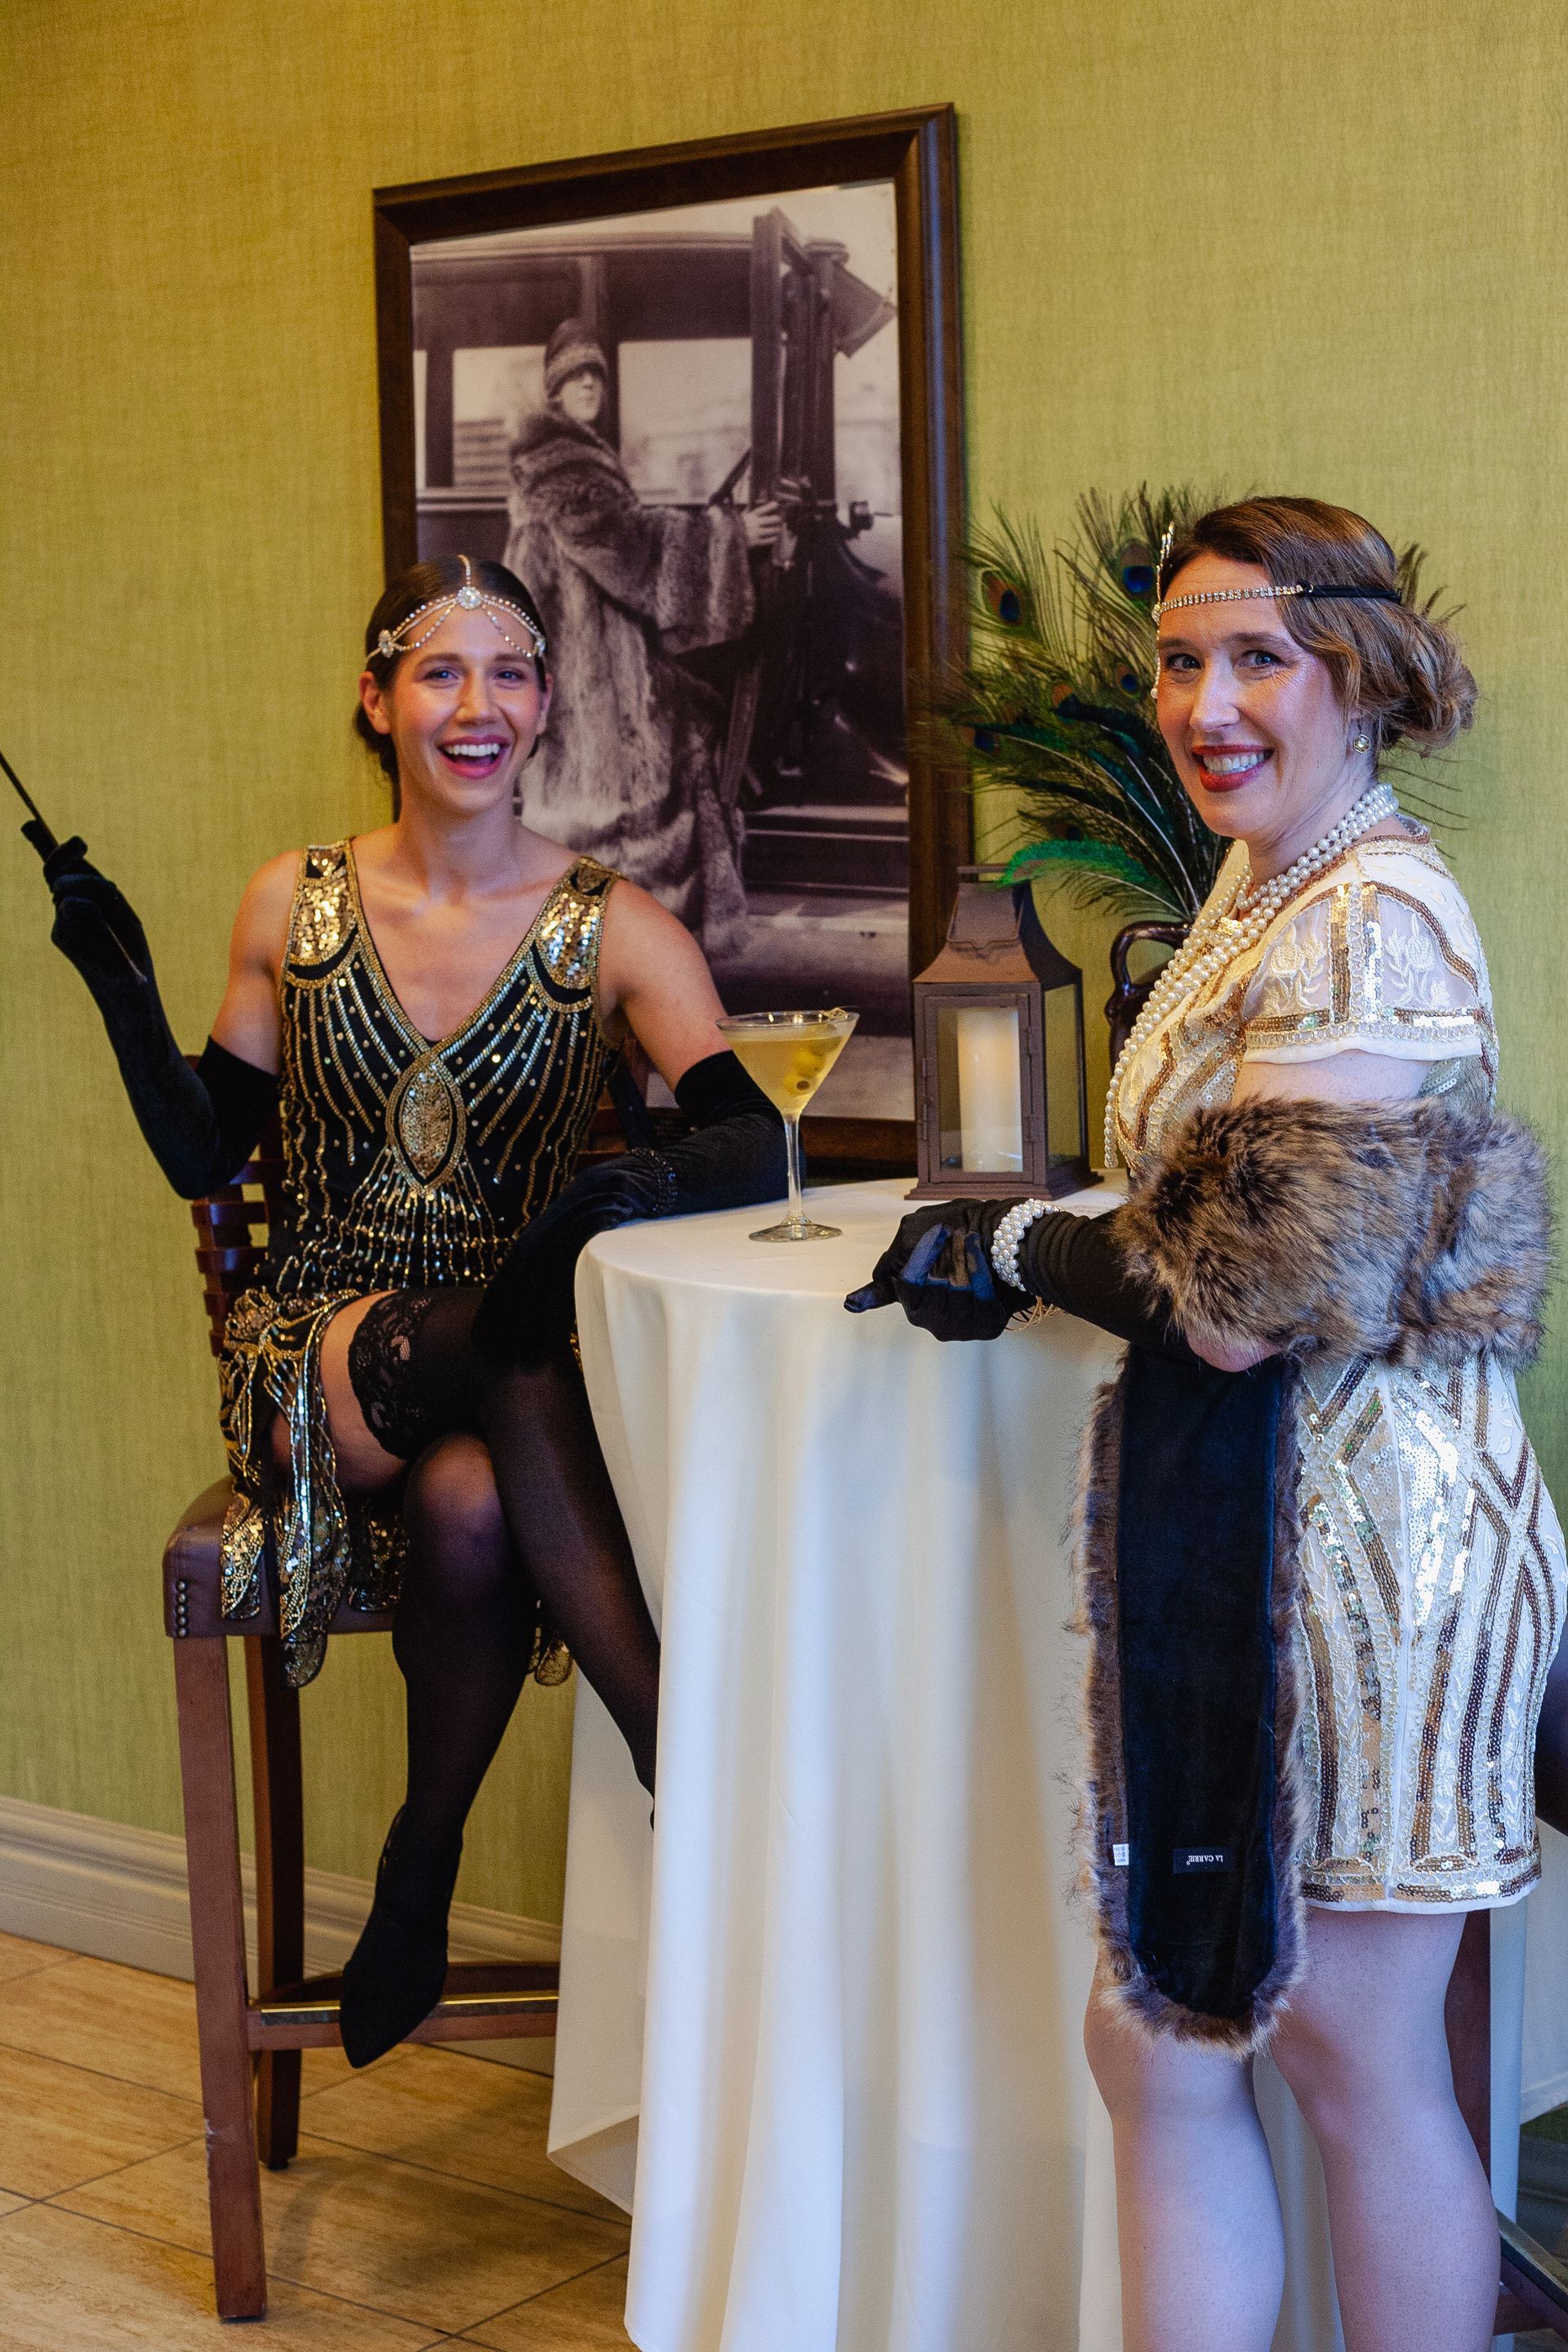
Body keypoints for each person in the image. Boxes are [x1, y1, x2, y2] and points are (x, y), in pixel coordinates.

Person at [848, 498, 1565, 2351]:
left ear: (1361, 675)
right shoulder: (1266, 889)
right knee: (1159, 2038)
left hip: (1382, 1549)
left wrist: (1014, 1242)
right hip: (1251, 1527)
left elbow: (1239, 1302)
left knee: (1348, 2051)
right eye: (1180, 659)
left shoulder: (1375, 918)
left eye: (1259, 657)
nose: (1206, 702)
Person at [31, 552, 785, 2067]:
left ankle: (418, 1860)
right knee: (513, 1349)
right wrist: (122, 989)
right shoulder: (292, 903)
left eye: (510, 673)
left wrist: (615, 1195)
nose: (477, 705)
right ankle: (677, 1749)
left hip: (503, 1391)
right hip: (316, 1358)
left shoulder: (615, 927)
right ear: (378, 702)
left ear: (546, 704)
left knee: (471, 1499)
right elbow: (205, 1151)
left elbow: (757, 1141)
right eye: (441, 671)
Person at [503, 318, 782, 960]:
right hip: (593, 680)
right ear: (554, 389)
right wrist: (730, 535)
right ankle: (636, 970)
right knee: (618, 825)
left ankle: (619, 969)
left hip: (585, 668)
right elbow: (628, 549)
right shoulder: (563, 461)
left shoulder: (570, 455)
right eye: (576, 377)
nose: (589, 386)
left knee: (607, 813)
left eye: (596, 376)